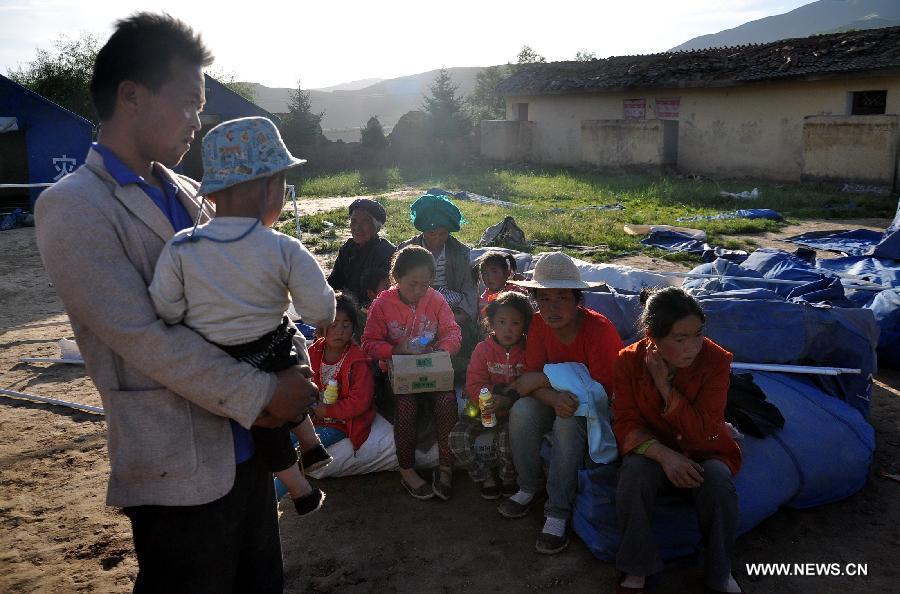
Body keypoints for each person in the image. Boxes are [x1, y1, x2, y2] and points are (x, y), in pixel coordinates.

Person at [34, 13, 316, 592]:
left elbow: (247, 283)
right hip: (177, 466)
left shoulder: (191, 194)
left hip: (251, 452)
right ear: (131, 95)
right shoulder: (75, 206)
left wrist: (292, 362)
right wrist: (266, 393)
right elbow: (143, 340)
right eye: (189, 102)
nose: (197, 121)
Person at [149, 116, 337, 517]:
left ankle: (300, 487)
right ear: (271, 187)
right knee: (290, 350)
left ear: (214, 194)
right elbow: (320, 312)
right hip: (273, 355)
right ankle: (311, 444)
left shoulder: (182, 247)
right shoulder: (283, 249)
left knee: (264, 423)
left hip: (223, 374)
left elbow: (165, 310)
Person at [612, 288, 742, 594]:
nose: (693, 347)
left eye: (697, 334)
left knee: (718, 481)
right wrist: (665, 456)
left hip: (704, 448)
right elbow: (626, 421)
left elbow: (706, 430)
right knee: (633, 474)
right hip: (653, 449)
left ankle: (719, 571)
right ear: (653, 338)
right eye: (680, 339)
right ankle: (636, 568)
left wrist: (665, 387)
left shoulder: (716, 361)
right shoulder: (628, 361)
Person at [501, 252, 624, 555]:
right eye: (544, 300)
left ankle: (558, 511)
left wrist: (545, 382)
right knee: (521, 410)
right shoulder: (540, 327)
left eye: (561, 299)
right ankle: (529, 486)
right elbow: (529, 381)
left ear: (577, 299)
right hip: (558, 398)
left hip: (595, 407)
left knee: (567, 425)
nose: (552, 308)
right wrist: (553, 395)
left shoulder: (600, 331)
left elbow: (604, 392)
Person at [361, 245, 462, 500]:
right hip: (396, 374)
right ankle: (407, 470)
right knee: (406, 407)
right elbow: (369, 343)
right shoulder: (382, 305)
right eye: (412, 284)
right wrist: (397, 349)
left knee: (447, 401)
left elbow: (452, 332)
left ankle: (446, 465)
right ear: (396, 277)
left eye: (425, 285)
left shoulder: (436, 300)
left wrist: (441, 350)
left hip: (431, 368)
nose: (419, 291)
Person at [449, 291, 531, 499]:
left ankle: (508, 478)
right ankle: (484, 476)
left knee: (506, 443)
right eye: (501, 322)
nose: (508, 329)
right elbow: (474, 382)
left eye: (515, 323)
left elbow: (531, 383)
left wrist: (507, 400)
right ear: (491, 323)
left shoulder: (528, 351)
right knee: (457, 439)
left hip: (512, 414)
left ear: (524, 326)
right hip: (480, 409)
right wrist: (487, 399)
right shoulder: (482, 349)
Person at [398, 192, 478, 373]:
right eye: (431, 233)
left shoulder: (461, 252)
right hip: (414, 305)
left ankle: (452, 366)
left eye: (443, 234)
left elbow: (469, 290)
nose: (437, 238)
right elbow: (398, 286)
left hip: (450, 310)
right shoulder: (406, 250)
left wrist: (453, 319)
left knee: (460, 337)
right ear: (423, 230)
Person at [307, 293, 376, 451]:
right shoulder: (313, 352)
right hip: (313, 419)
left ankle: (287, 477)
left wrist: (327, 410)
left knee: (308, 450)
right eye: (333, 325)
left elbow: (360, 402)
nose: (340, 331)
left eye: (346, 325)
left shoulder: (358, 361)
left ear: (353, 328)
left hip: (341, 423)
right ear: (322, 326)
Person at [327, 198, 395, 304]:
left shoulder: (386, 252)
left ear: (377, 227)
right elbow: (334, 282)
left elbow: (385, 295)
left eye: (365, 222)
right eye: (353, 221)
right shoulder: (347, 249)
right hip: (347, 309)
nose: (357, 227)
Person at [475, 251, 526, 318]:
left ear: (506, 273)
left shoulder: (515, 290)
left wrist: (524, 282)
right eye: (484, 272)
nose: (489, 277)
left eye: (494, 271)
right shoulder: (484, 299)